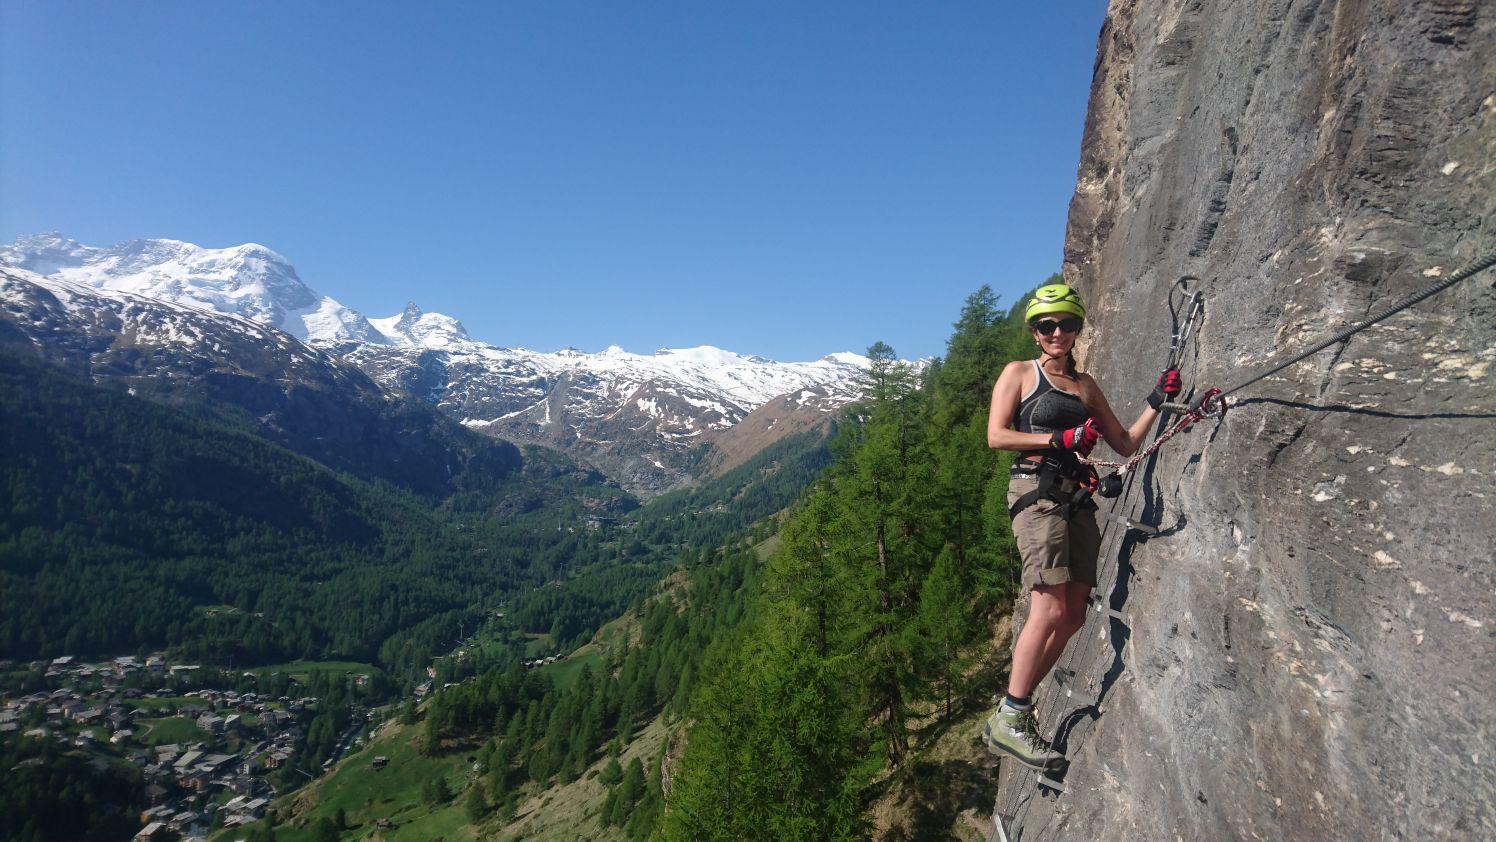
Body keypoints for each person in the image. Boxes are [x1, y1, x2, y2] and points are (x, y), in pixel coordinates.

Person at [981, 282, 1182, 768]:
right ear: (1034, 332)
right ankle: (1011, 715)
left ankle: (1015, 710)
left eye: (1066, 324)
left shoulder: (1085, 385)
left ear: (1077, 329)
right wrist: (1061, 436)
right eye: (1046, 325)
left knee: (1071, 615)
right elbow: (996, 436)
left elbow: (1125, 443)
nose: (1057, 333)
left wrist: (1157, 401)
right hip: (1037, 494)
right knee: (1047, 608)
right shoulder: (1019, 374)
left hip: (1077, 500)